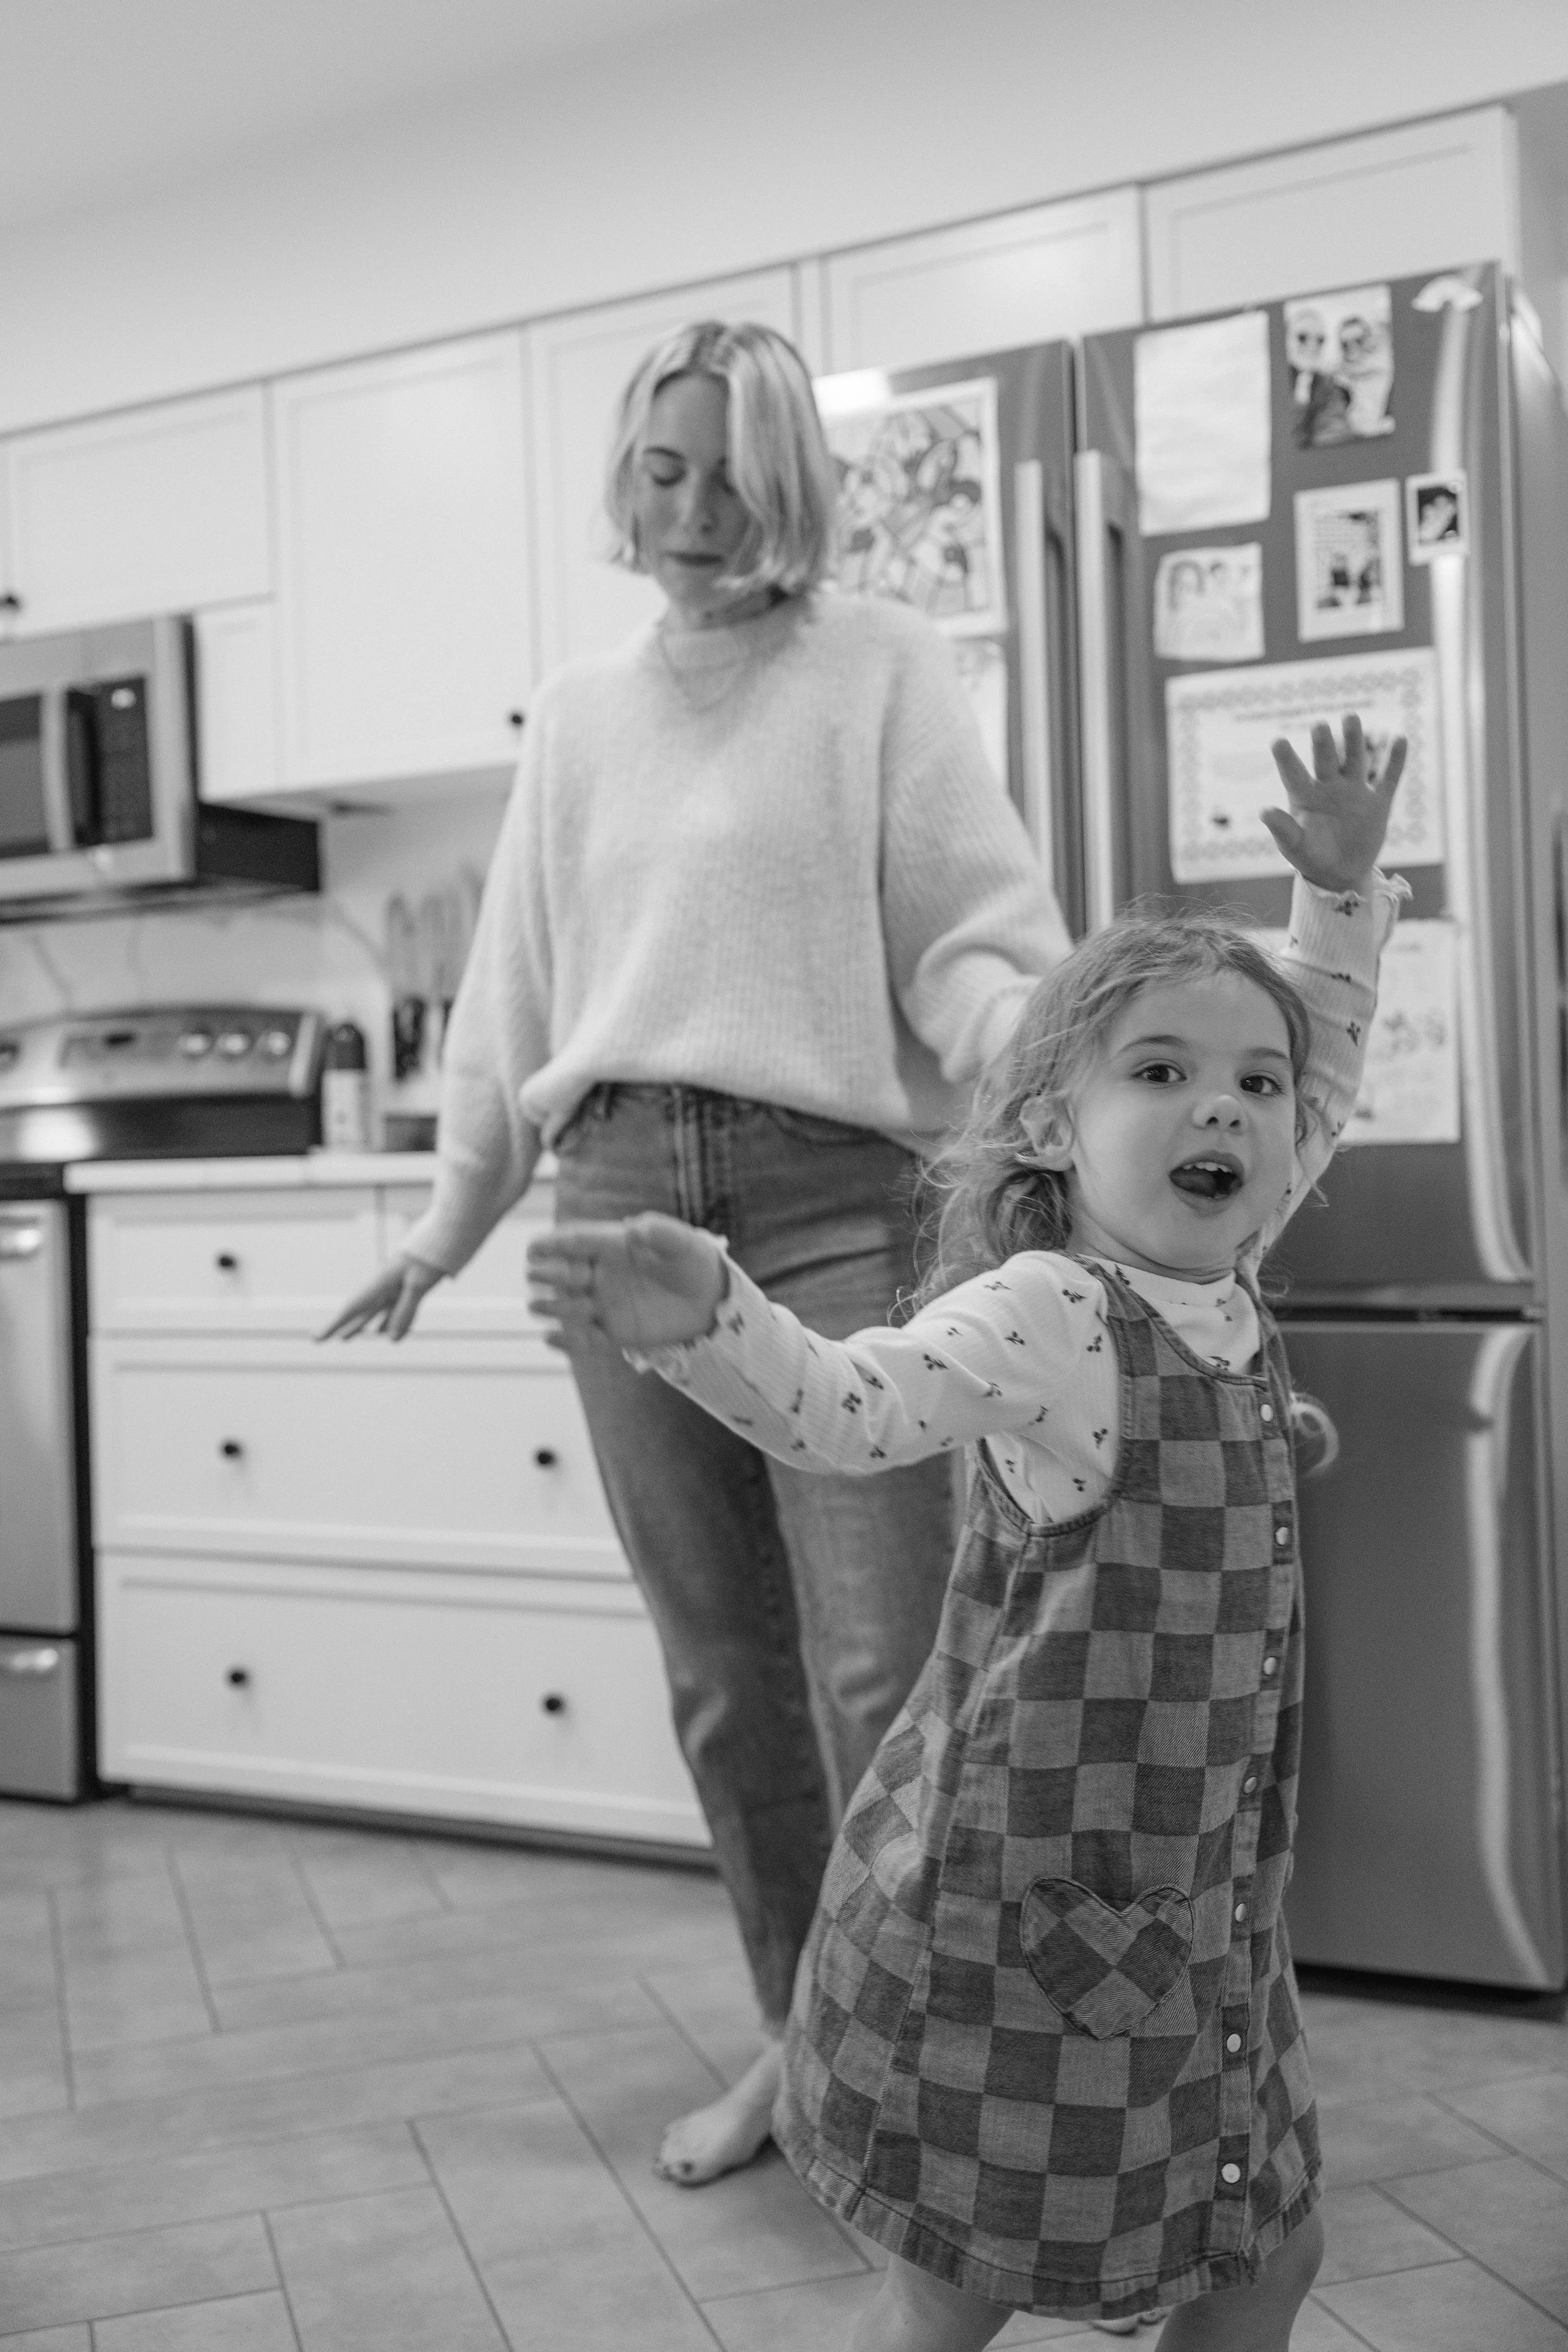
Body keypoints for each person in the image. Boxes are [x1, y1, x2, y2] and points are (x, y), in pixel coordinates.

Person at [526, 714, 1406, 2349]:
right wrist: (707, 1311)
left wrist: (1336, 900)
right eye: (1159, 1072)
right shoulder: (1050, 1310)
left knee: (1261, 2254)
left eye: (1252, 1085)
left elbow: (1329, 1048)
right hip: (1021, 1922)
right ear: (1055, 1129)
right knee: (958, 2284)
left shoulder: (1222, 1272)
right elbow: (843, 1409)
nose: (1223, 1108)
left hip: (1197, 1917)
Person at [320, 318, 1070, 2187]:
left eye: (730, 466)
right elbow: (510, 998)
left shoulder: (879, 669)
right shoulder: (578, 717)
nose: (690, 505)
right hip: (617, 1194)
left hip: (835, 1198)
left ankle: (940, 2068)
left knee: (883, 1662)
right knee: (727, 1672)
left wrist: (1042, 1055)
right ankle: (806, 2056)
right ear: (624, 478)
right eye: (663, 466)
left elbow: (968, 936)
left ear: (791, 482)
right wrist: (443, 1217)